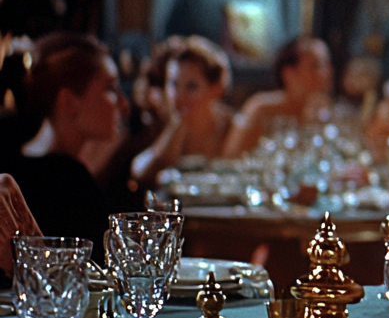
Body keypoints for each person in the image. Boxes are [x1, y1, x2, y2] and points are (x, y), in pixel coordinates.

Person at [6, 32, 127, 258]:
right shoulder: (68, 181)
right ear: (69, 101)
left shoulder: (18, 164)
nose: (123, 103)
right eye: (110, 89)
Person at [131, 36, 234, 187]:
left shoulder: (233, 127)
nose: (179, 96)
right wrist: (176, 128)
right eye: (173, 84)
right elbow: (140, 174)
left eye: (191, 86)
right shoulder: (158, 122)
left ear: (216, 88)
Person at [223, 37, 334, 157]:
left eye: (327, 65)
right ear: (289, 73)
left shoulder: (328, 113)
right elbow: (232, 156)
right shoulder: (262, 108)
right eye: (316, 66)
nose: (327, 73)